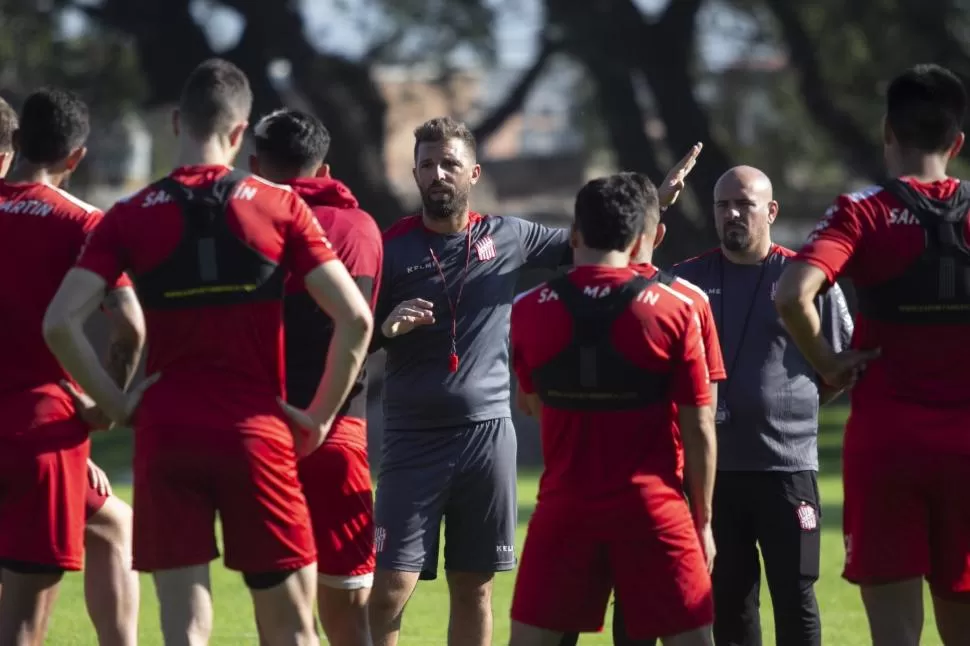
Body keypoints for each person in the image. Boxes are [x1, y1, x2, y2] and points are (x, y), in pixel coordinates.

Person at [43, 58, 374, 646]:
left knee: (184, 627)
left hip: (167, 434)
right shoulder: (281, 207)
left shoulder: (128, 214)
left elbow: (60, 323)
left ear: (176, 122)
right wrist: (319, 416)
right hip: (257, 432)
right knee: (292, 628)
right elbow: (355, 318)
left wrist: (117, 404)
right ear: (241, 131)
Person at [776, 63, 970, 645]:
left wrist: (828, 361)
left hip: (887, 447)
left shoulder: (862, 211)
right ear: (957, 142)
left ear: (888, 131)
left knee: (894, 635)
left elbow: (792, 294)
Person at [368, 116, 571, 646]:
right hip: (412, 440)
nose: (438, 173)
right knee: (390, 585)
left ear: (473, 172)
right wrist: (387, 330)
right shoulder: (388, 248)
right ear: (414, 173)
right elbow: (351, 336)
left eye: (449, 164)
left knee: (474, 586)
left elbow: (597, 241)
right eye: (428, 165)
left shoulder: (510, 235)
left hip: (486, 436)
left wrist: (651, 205)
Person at [509, 173, 716, 646]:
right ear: (641, 239)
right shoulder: (675, 309)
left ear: (575, 235)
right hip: (654, 507)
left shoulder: (526, 309)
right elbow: (699, 424)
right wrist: (702, 521)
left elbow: (531, 404)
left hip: (564, 506)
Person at [672, 166, 852, 646]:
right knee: (729, 601)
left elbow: (838, 368)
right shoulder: (687, 282)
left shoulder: (804, 281)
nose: (732, 213)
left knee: (796, 596)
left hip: (786, 469)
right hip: (715, 473)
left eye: (744, 204)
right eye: (722, 204)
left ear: (770, 210)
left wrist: (792, 406)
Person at [0, 88, 146, 646]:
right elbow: (131, 324)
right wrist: (104, 406)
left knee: (113, 522)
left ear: (16, 145)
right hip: (37, 431)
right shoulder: (83, 223)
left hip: (35, 419)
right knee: (23, 626)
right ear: (77, 156)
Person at [250, 107, 383, 646]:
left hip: (267, 434)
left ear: (257, 164)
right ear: (325, 167)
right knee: (350, 619)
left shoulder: (250, 224)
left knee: (281, 618)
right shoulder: (363, 226)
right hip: (339, 435)